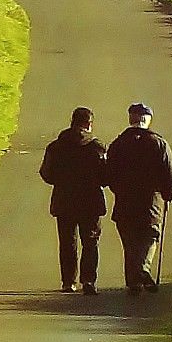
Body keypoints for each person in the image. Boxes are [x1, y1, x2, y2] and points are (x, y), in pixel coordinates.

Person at [106, 102, 172, 295]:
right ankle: (143, 270)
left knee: (129, 241)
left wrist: (118, 188)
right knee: (149, 237)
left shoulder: (118, 144)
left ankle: (134, 282)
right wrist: (168, 193)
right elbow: (170, 172)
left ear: (131, 119)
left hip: (124, 201)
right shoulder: (159, 143)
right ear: (148, 120)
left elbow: (108, 173)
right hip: (151, 202)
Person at [38, 107, 110, 294]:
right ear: (88, 124)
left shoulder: (56, 147)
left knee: (68, 242)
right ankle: (88, 281)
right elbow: (105, 176)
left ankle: (68, 281)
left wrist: (61, 181)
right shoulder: (97, 147)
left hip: (64, 200)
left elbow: (46, 174)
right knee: (90, 241)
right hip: (91, 202)